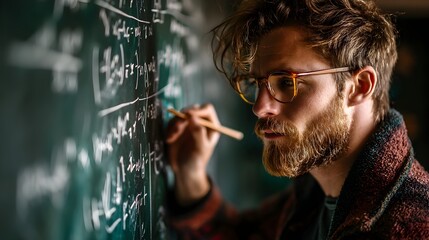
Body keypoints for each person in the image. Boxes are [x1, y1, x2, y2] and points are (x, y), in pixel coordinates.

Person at [165, 0, 429, 239]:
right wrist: (190, 174)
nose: (259, 107)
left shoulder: (409, 227)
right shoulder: (312, 193)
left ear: (359, 86)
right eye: (256, 83)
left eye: (285, 82)